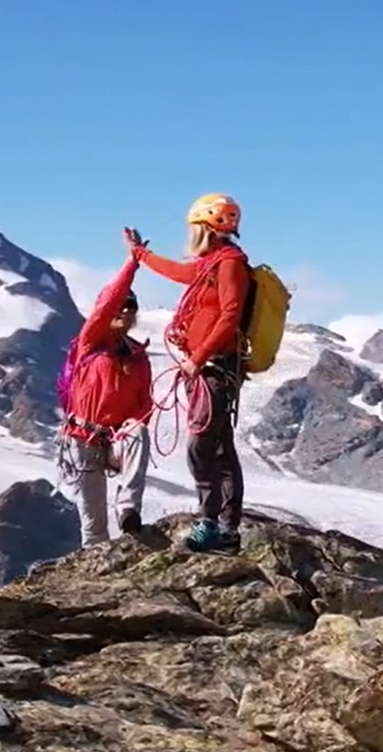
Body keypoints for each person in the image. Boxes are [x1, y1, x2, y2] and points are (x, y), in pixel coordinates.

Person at [129, 193, 249, 553]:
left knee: (202, 443)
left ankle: (212, 522)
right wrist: (140, 254)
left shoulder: (228, 263)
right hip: (208, 366)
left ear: (204, 227)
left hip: (215, 367)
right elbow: (179, 273)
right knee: (219, 446)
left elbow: (229, 316)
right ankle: (225, 529)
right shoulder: (212, 262)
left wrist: (198, 357)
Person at [59, 252, 155, 546]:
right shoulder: (89, 342)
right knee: (94, 526)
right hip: (81, 440)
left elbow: (144, 405)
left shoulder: (138, 356)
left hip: (115, 439)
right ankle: (95, 578)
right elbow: (105, 304)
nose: (126, 311)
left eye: (131, 307)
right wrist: (132, 264)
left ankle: (128, 510)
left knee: (138, 431)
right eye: (121, 305)